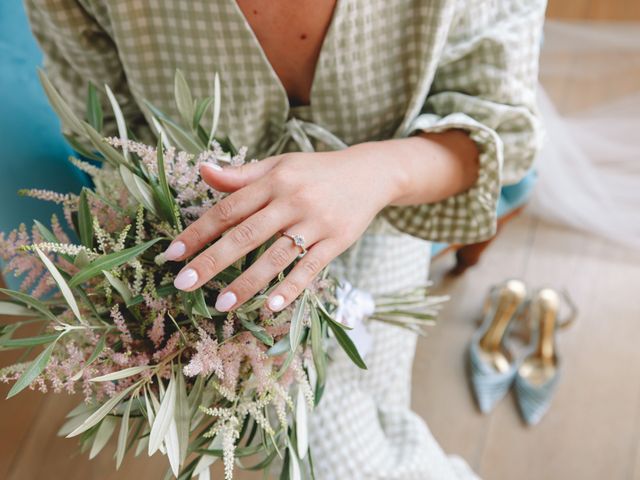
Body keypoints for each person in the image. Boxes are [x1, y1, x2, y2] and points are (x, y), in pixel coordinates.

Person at [25, 0, 545, 478]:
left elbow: (502, 131)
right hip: (213, 245)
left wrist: (374, 174)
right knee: (321, 457)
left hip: (390, 214)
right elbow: (108, 131)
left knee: (376, 399)